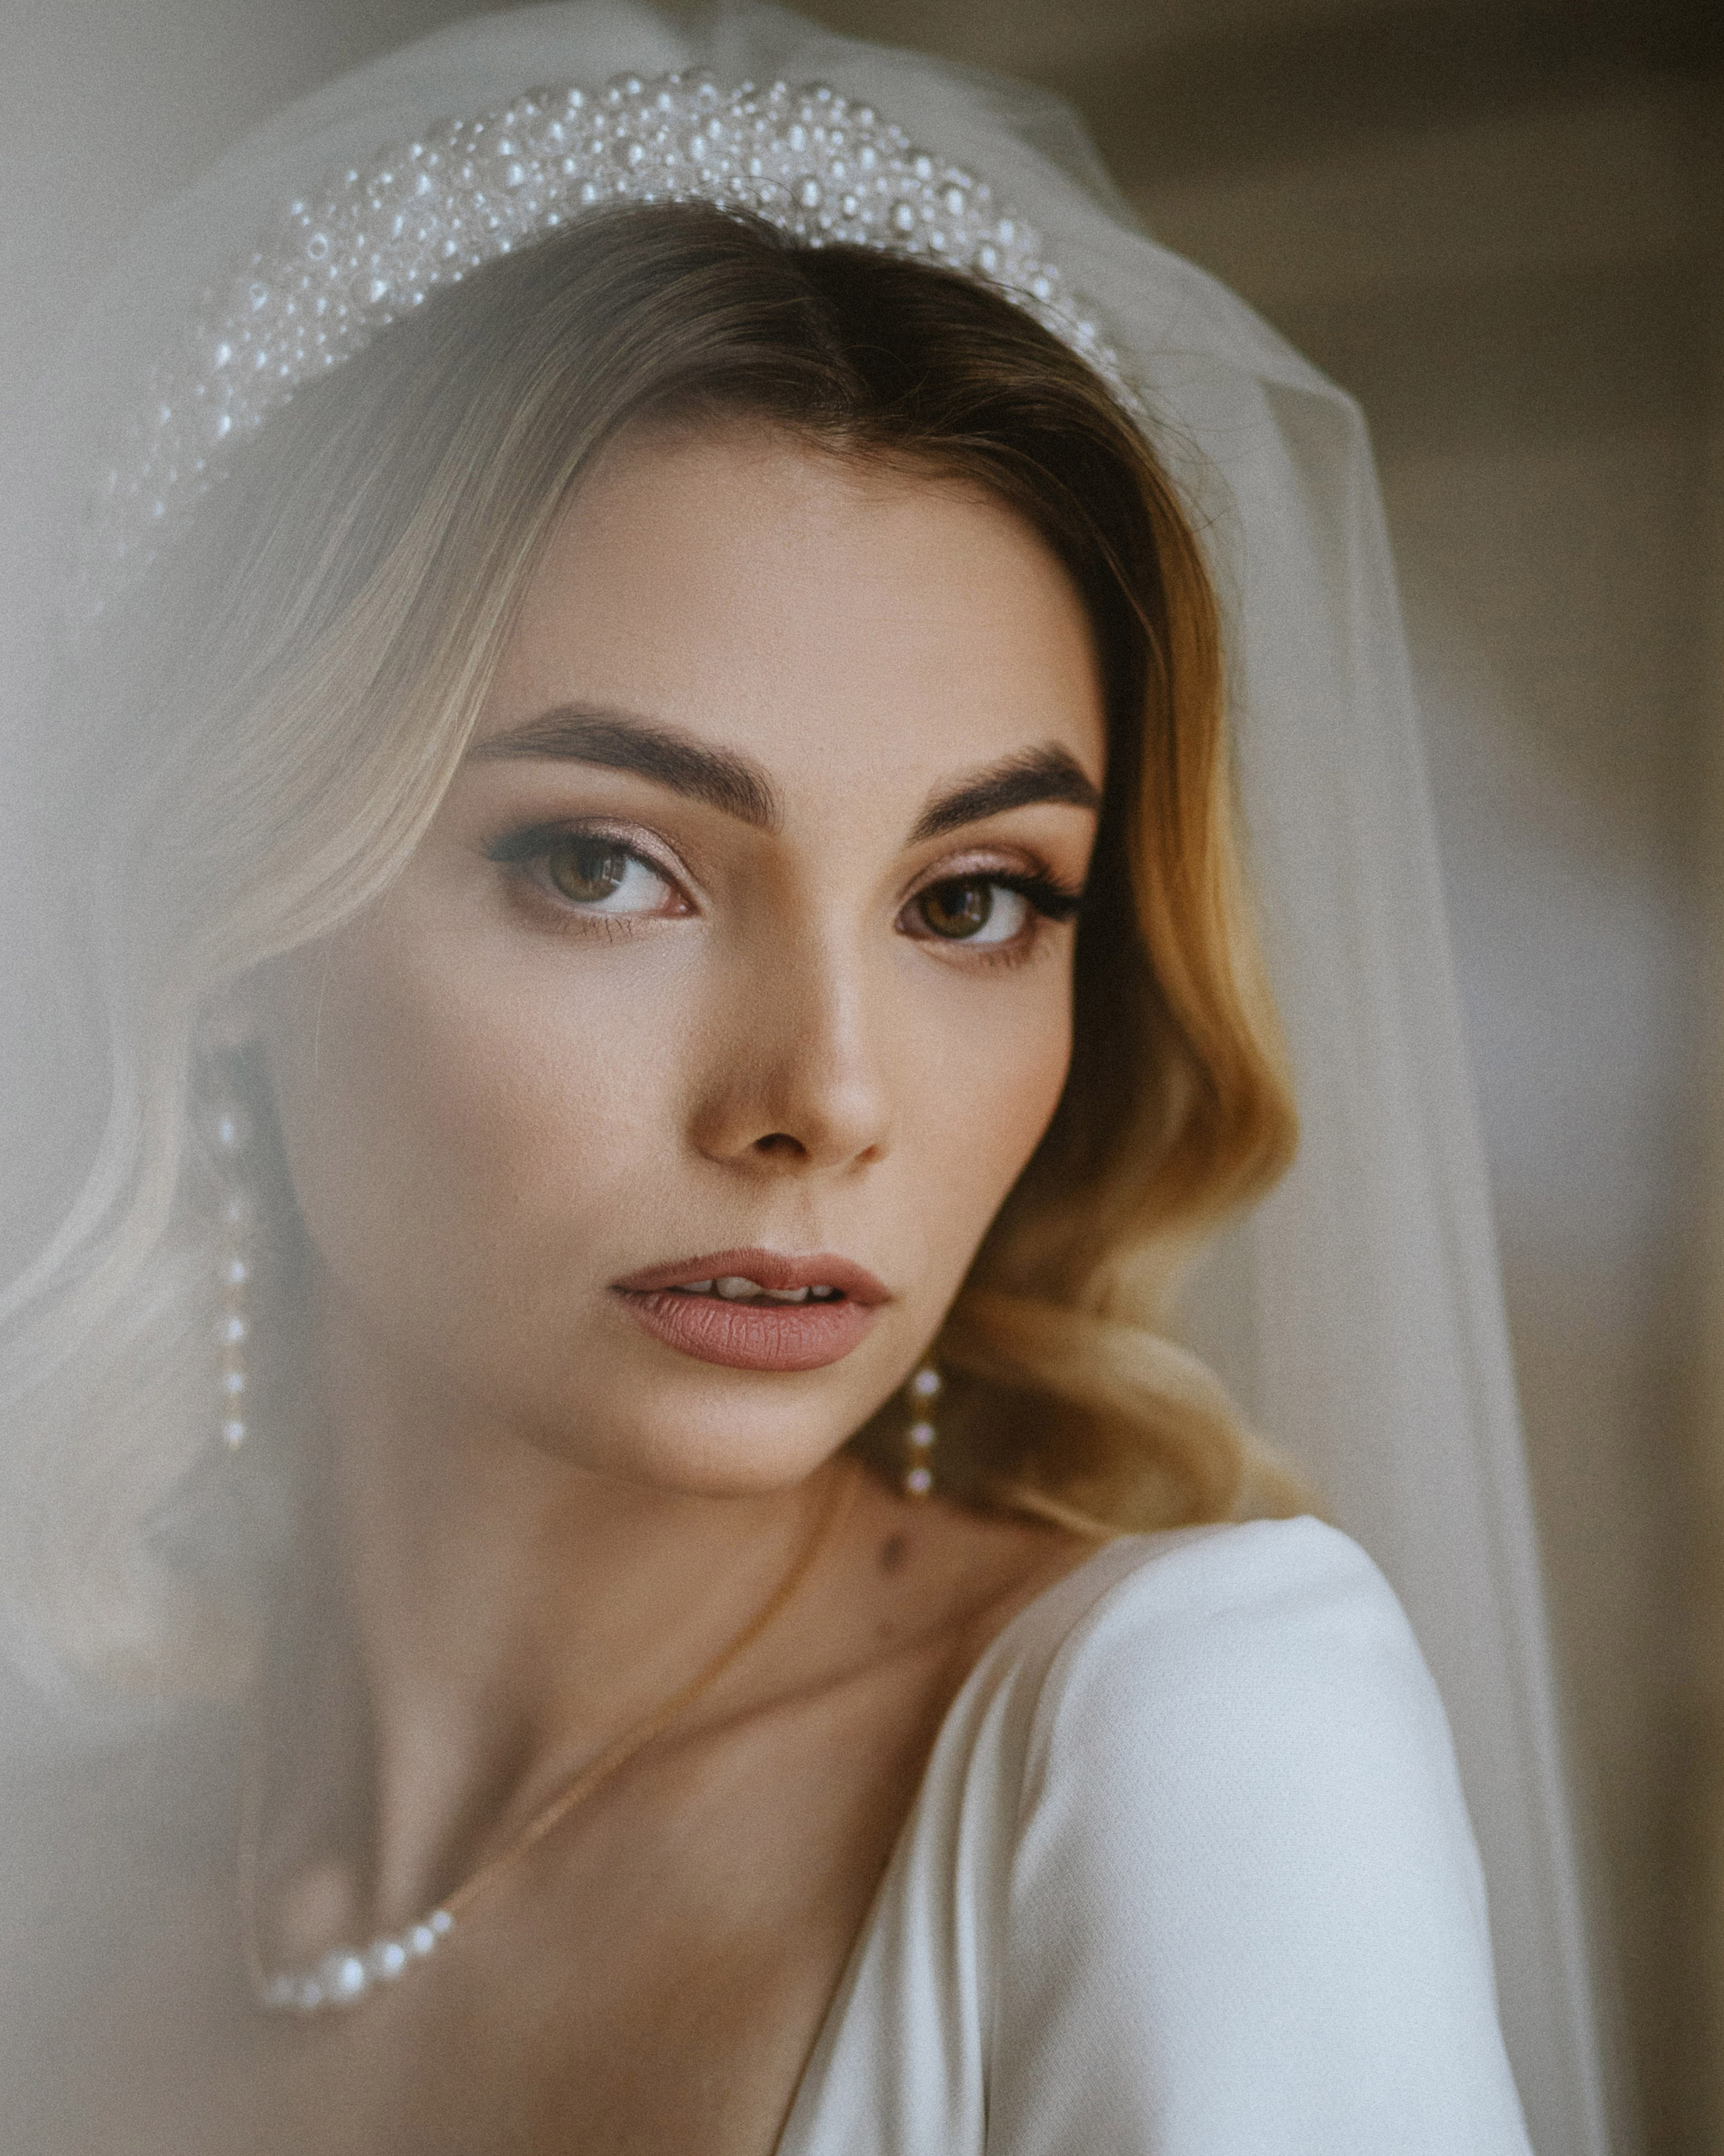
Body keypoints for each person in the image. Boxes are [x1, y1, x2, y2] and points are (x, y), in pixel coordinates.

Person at [0, 7, 1607, 2151]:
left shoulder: (1171, 1747)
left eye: (970, 899)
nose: (826, 1096)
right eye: (608, 863)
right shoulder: (64, 1869)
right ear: (225, 922)